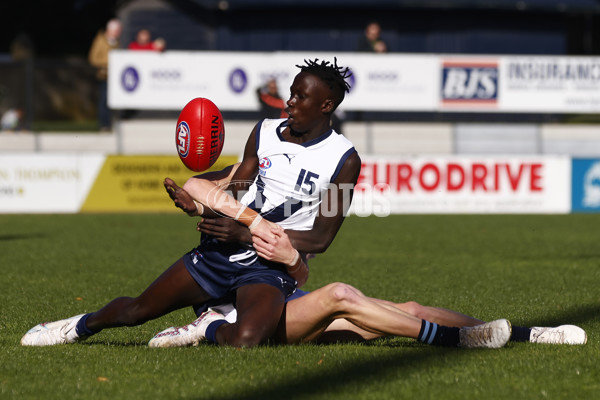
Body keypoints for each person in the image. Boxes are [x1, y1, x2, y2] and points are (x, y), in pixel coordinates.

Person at [20, 58, 362, 348]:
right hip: (221, 251)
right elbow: (238, 189)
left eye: (300, 97)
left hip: (268, 267)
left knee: (247, 340)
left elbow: (320, 239)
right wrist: (199, 207)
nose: (289, 102)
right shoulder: (265, 131)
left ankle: (206, 325)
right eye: (291, 94)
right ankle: (77, 326)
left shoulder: (343, 160)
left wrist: (246, 235)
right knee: (136, 311)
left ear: (325, 106)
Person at [146, 210, 586, 348]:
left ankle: (529, 335)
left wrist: (291, 257)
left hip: (289, 300)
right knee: (343, 298)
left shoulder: (332, 162)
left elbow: (308, 256)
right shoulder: (235, 206)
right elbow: (216, 190)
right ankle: (208, 327)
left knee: (408, 309)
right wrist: (201, 196)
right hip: (248, 316)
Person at [88, 18, 122, 131]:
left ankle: (111, 123)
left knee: (113, 101)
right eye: (117, 30)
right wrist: (109, 63)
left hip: (115, 77)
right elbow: (93, 58)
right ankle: (104, 124)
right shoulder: (100, 41)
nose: (119, 33)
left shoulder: (116, 42)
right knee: (104, 100)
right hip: (104, 76)